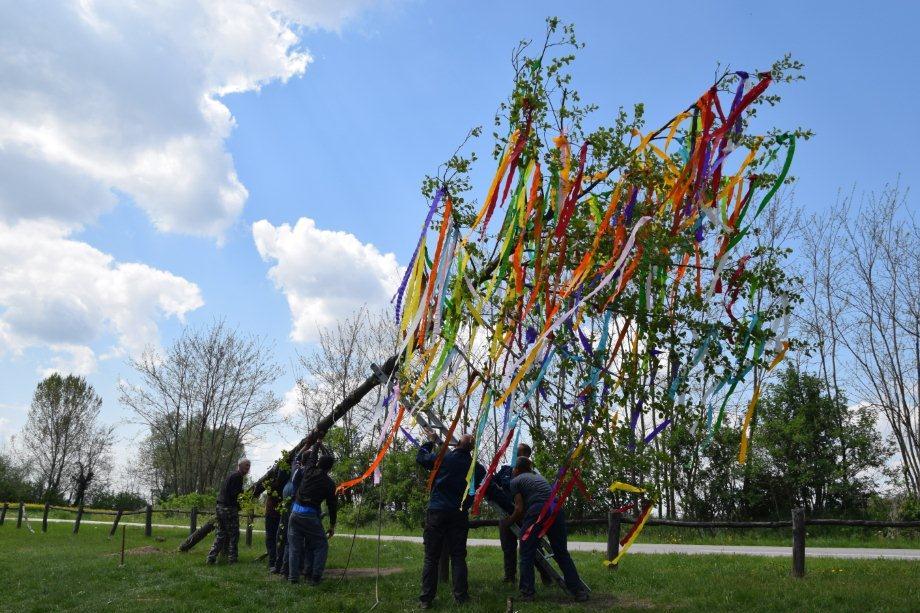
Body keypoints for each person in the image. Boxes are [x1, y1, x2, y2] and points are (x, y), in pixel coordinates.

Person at [501, 456, 588, 602]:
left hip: (538, 510)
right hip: (556, 509)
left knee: (526, 551)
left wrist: (508, 522)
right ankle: (579, 592)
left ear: (516, 470)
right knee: (561, 552)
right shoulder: (539, 477)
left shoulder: (515, 481)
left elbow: (519, 509)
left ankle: (527, 593)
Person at [415, 432, 485, 609]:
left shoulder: (443, 458)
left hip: (437, 511)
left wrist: (429, 442)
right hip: (458, 514)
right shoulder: (476, 467)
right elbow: (477, 481)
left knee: (431, 557)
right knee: (458, 556)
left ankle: (426, 599)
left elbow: (421, 458)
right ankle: (461, 597)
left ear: (457, 444)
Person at [287, 452, 337, 585]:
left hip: (294, 513)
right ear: (330, 468)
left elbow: (311, 458)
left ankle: (293, 579)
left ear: (317, 463)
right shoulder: (329, 484)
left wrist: (318, 444)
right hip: (309, 516)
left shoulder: (308, 471)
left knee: (295, 548)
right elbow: (332, 506)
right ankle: (315, 578)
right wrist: (332, 525)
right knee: (321, 545)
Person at [494, 442, 533, 584]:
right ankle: (509, 576)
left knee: (530, 547)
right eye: (516, 453)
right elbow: (493, 482)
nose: (517, 455)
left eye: (520, 453)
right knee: (507, 547)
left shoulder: (531, 473)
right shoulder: (505, 470)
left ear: (527, 456)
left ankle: (545, 575)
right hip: (506, 514)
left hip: (524, 514)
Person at [207, 458, 251, 565]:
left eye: (249, 466)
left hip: (220, 507)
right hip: (228, 508)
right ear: (239, 466)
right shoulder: (237, 477)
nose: (248, 468)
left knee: (221, 533)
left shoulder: (232, 475)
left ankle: (211, 558)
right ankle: (232, 559)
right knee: (234, 534)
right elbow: (234, 494)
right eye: (246, 465)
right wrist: (244, 497)